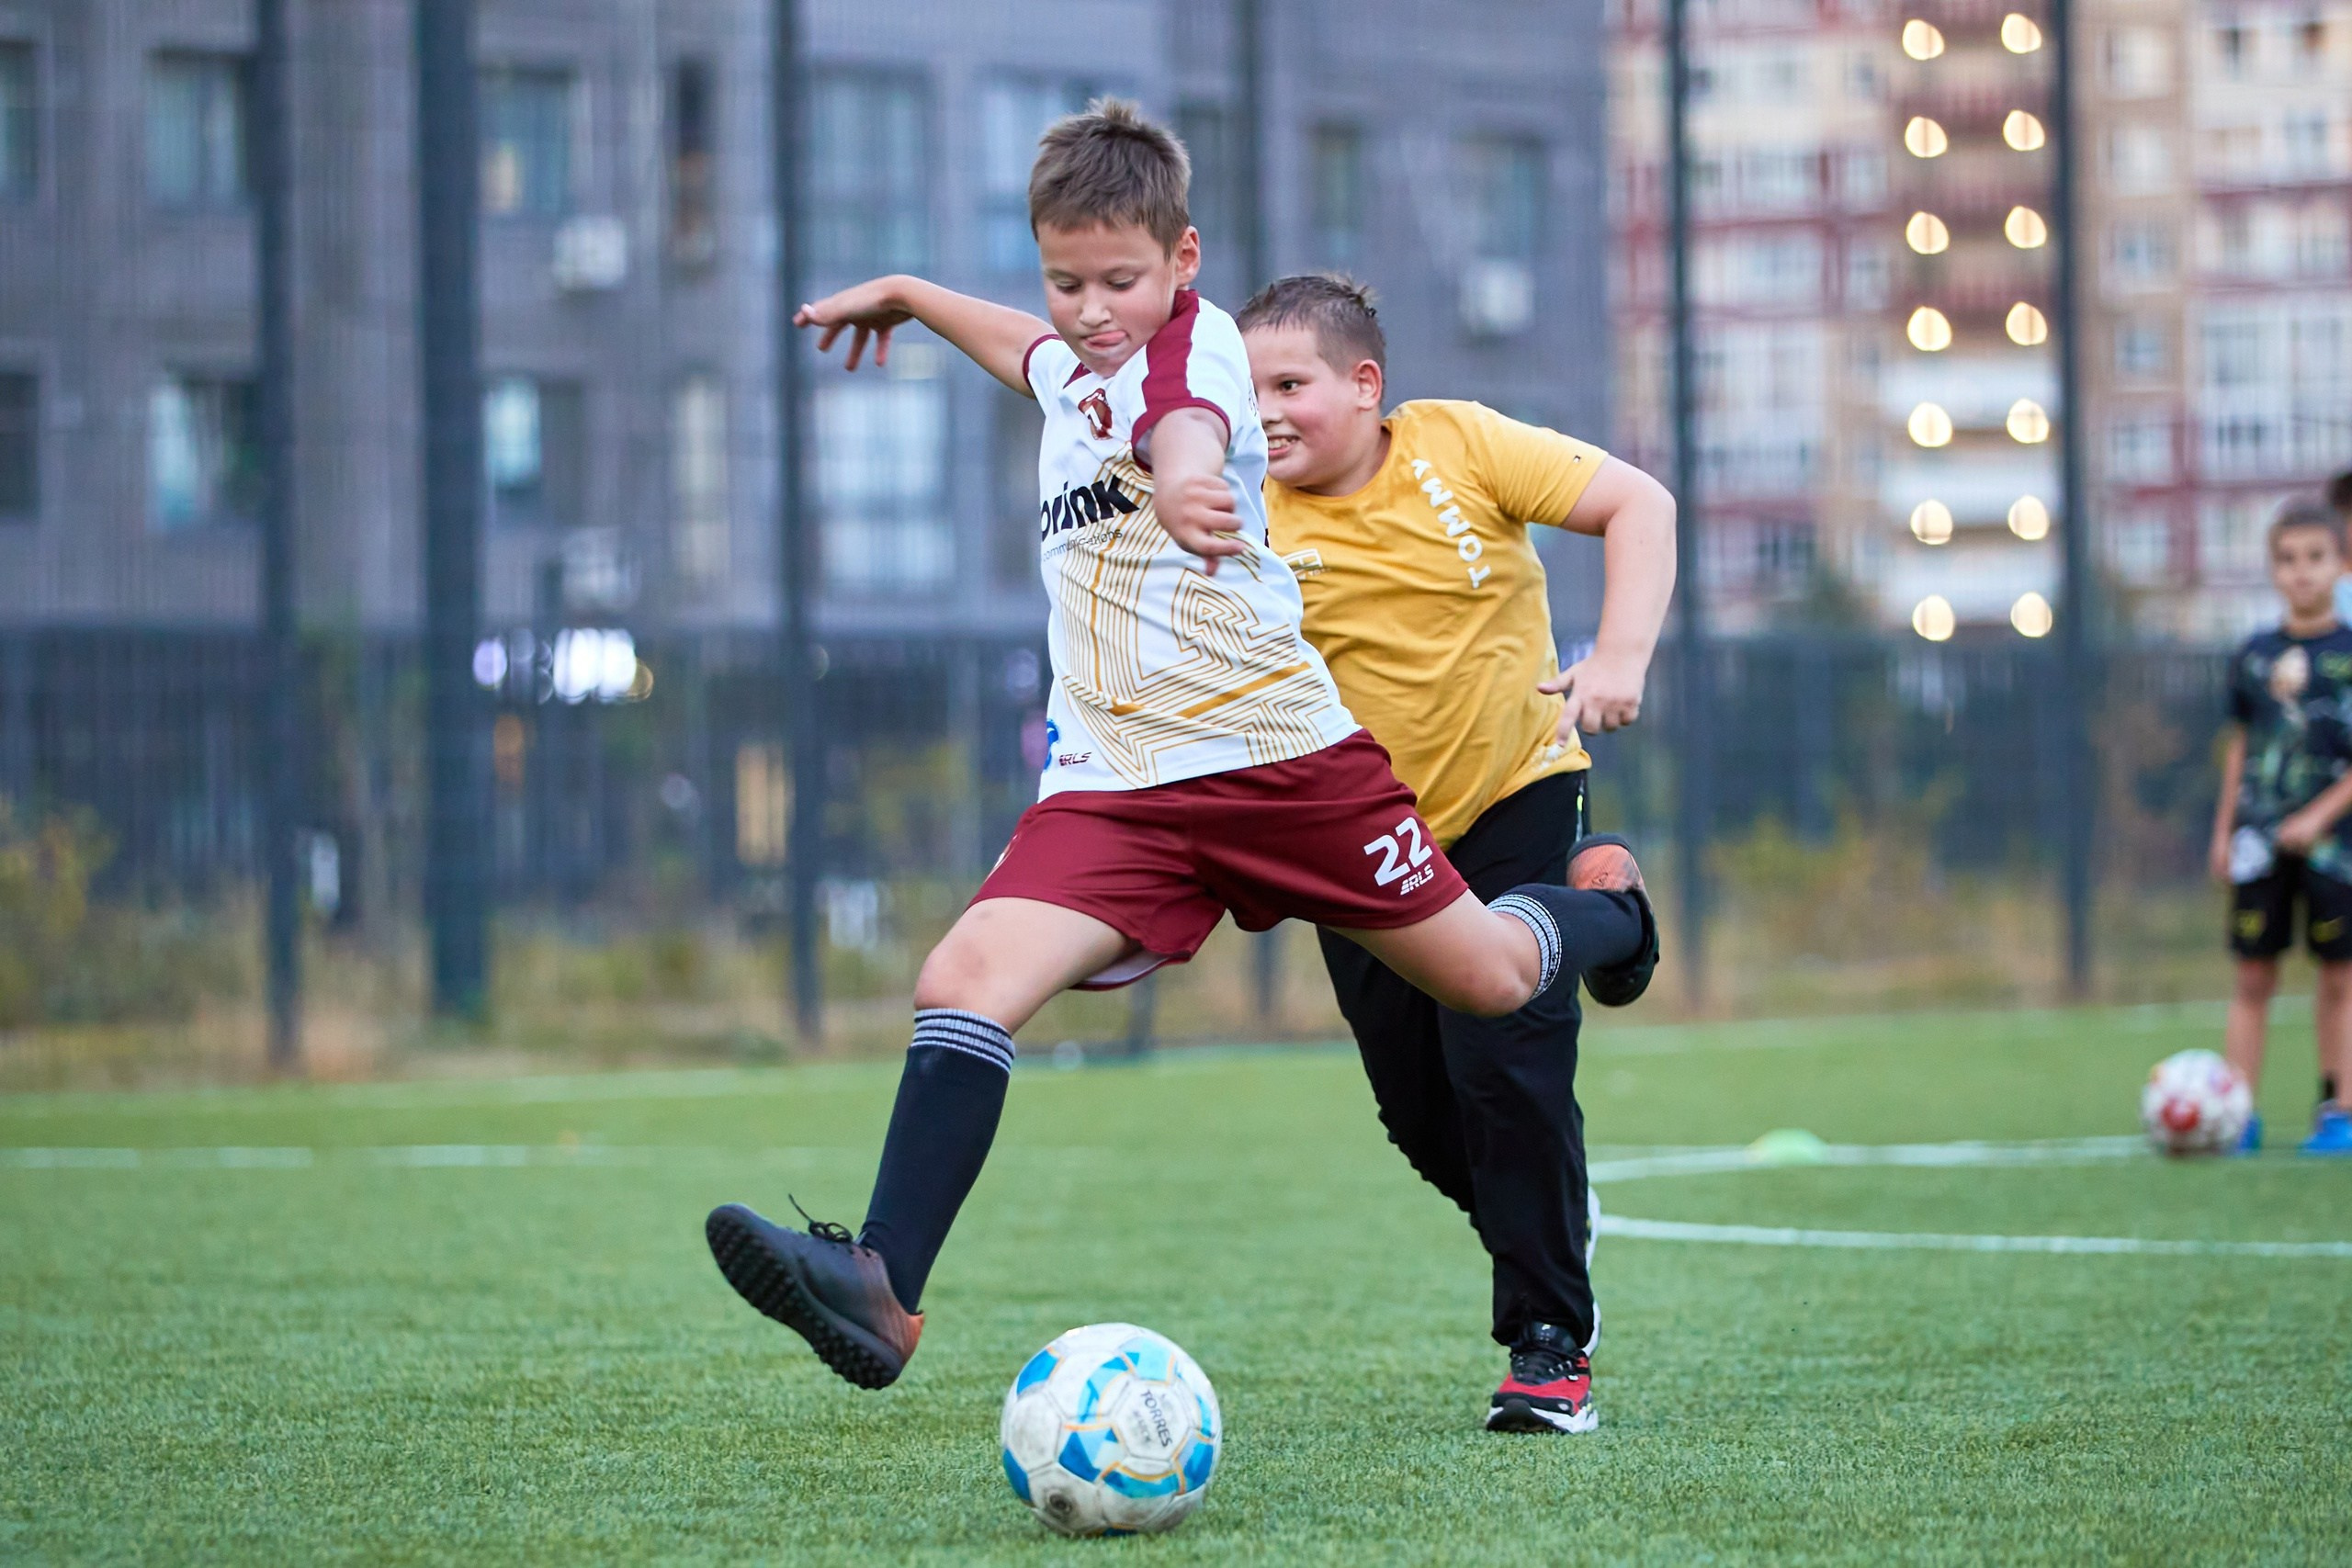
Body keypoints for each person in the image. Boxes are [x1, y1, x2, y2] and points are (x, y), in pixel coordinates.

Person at [701, 101, 1659, 1389]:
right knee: (962, 976)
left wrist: (1189, 472)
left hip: (1275, 764)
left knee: (1492, 978)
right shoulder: (1075, 358)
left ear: (1182, 262)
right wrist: (915, 297)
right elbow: (1032, 353)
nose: (1092, 310)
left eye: (1120, 281)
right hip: (1115, 785)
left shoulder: (1195, 357)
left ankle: (1614, 917)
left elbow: (1178, 417)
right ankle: (882, 1286)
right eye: (1067, 281)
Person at [1238, 276, 1673, 1434]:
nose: (1264, 412)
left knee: (1503, 1067)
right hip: (1362, 840)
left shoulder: (1461, 444)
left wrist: (1619, 655)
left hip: (1515, 793)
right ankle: (1617, 921)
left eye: (1289, 384)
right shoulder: (1240, 514)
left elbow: (1639, 504)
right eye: (1246, 390)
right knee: (1423, 1116)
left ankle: (1548, 1347)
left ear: (1364, 385)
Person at [2211, 498, 2352, 1156]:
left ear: (2341, 564)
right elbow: (2241, 746)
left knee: (2340, 976)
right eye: (2288, 559)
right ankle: (2235, 1113)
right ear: (2272, 570)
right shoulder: (2254, 656)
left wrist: (2319, 816)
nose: (2302, 571)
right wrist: (2224, 830)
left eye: (2316, 557)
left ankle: (2341, 1112)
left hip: (2337, 847)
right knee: (2252, 976)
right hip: (2260, 842)